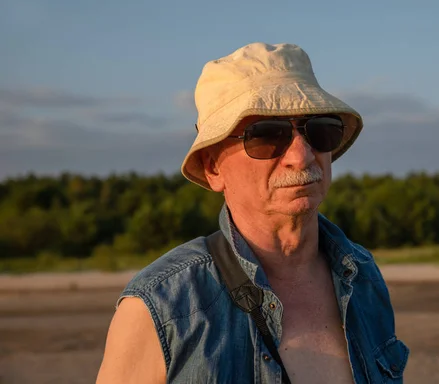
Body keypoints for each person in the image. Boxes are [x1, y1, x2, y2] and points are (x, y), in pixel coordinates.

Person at [96, 42, 409, 384]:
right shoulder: (162, 307)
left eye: (320, 130)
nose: (301, 155)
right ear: (213, 167)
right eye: (266, 136)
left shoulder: (363, 277)